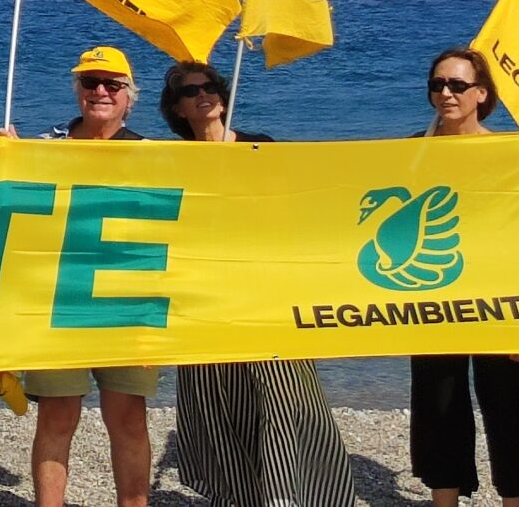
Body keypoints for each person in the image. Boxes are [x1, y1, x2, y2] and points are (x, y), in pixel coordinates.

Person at [155, 59, 354, 507]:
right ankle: (236, 496)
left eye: (210, 86)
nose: (203, 94)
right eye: (190, 92)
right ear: (178, 109)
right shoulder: (171, 161)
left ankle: (296, 496)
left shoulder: (260, 148)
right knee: (219, 407)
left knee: (288, 401)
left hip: (267, 301)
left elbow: (295, 219)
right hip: (204, 303)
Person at [410, 48, 519, 507]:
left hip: (501, 297)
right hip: (432, 294)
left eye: (457, 85)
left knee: (510, 403)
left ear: (482, 94)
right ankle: (445, 500)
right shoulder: (411, 152)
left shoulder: (512, 154)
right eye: (438, 84)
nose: (445, 93)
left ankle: (513, 502)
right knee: (438, 402)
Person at [23, 47, 158, 507]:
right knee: (57, 419)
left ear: (129, 97)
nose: (100, 91)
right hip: (60, 297)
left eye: (112, 84)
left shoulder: (153, 157)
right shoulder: (44, 146)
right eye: (90, 82)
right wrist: (3, 157)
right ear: (77, 90)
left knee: (129, 420)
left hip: (129, 301)